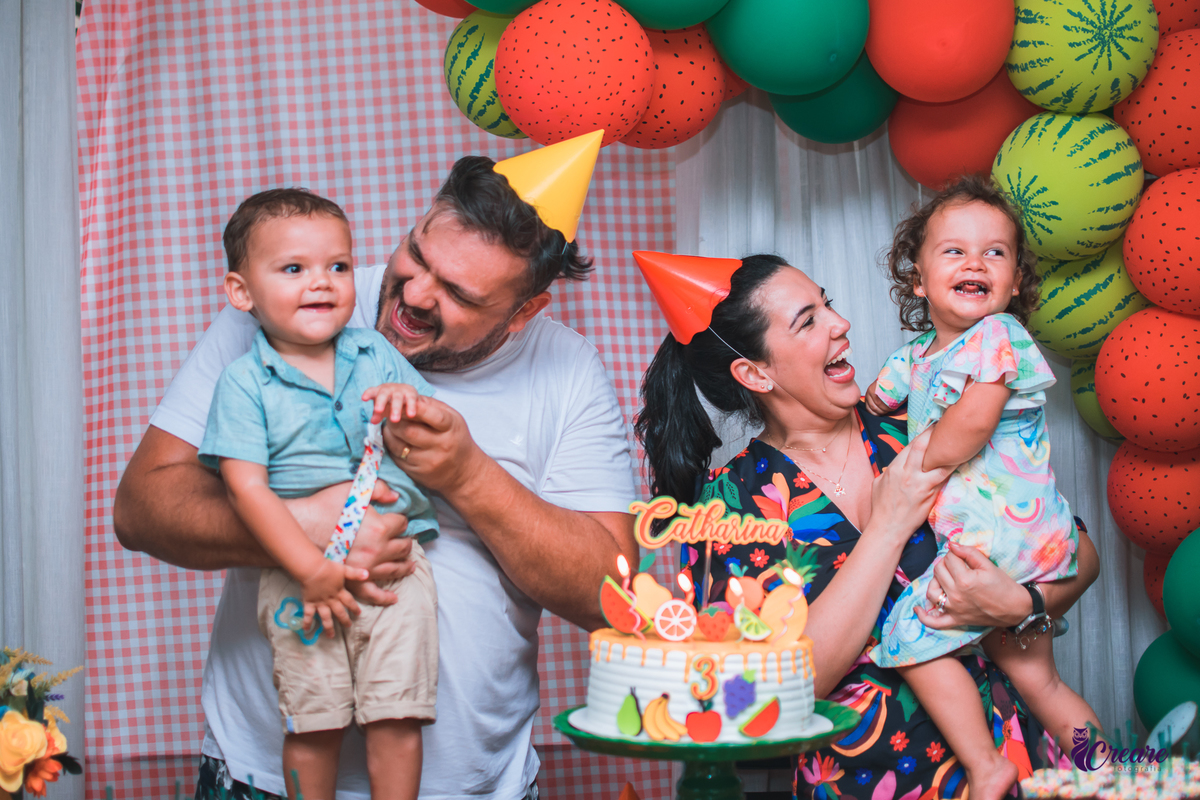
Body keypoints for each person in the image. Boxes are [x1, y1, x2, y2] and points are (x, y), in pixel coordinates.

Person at [113, 134, 640, 800]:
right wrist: (307, 526)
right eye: (417, 252)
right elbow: (140, 507)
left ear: (524, 313)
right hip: (261, 775)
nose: (415, 294)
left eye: (459, 293)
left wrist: (469, 477)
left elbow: (612, 597)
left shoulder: (568, 373)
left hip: (474, 787)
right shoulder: (299, 302)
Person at [633, 251, 1099, 800]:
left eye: (827, 304)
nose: (841, 323)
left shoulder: (929, 425)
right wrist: (887, 528)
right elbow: (768, 697)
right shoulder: (730, 509)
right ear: (754, 372)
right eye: (808, 320)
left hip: (1027, 765)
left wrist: (1024, 605)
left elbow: (1077, 550)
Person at [862, 175, 1101, 799]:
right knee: (1040, 682)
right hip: (1011, 542)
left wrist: (908, 470)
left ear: (1016, 281)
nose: (975, 262)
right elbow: (870, 405)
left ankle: (986, 765)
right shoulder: (911, 359)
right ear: (917, 279)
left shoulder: (999, 337)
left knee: (907, 638)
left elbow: (969, 426)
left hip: (1003, 536)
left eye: (995, 252)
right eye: (954, 251)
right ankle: (1109, 777)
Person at [197, 188, 440, 800]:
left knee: (398, 714)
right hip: (297, 578)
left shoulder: (376, 352)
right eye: (293, 269)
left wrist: (409, 404)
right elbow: (247, 491)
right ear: (241, 292)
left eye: (337, 266)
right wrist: (311, 568)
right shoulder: (243, 384)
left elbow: (430, 420)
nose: (322, 283)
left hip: (396, 571)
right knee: (314, 721)